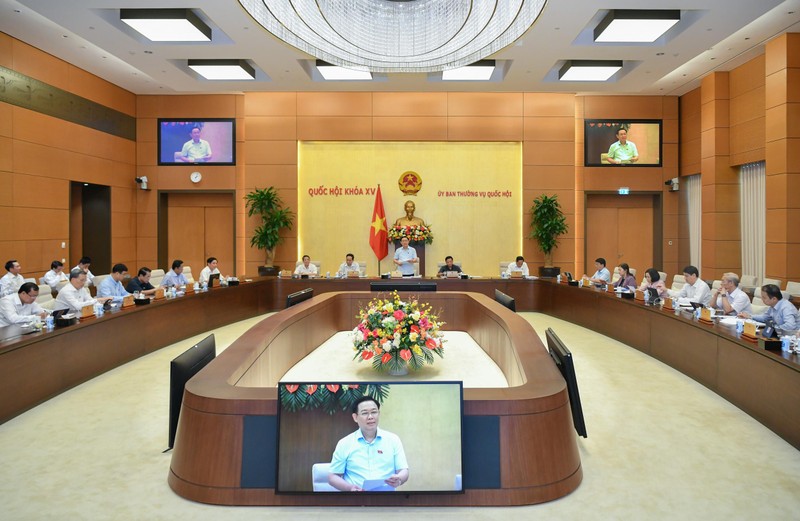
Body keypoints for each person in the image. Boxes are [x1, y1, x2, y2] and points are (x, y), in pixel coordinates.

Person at [328, 395, 409, 492]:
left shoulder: (393, 440)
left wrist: (399, 479)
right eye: (365, 413)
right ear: (355, 417)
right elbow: (333, 477)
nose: (370, 417)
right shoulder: (345, 443)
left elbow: (404, 471)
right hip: (355, 500)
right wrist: (349, 488)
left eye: (374, 412)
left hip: (387, 500)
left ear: (378, 414)